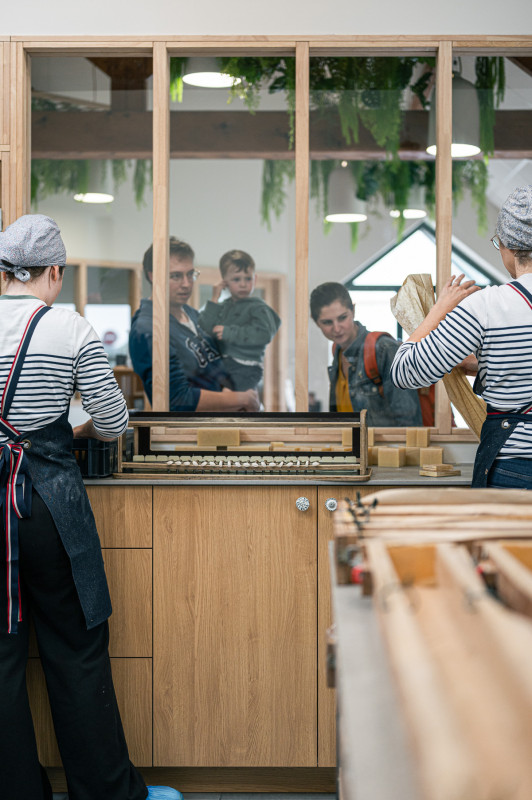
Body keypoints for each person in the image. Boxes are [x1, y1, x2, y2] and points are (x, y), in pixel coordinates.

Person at [0, 215, 180, 800]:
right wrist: (64, 427)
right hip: (50, 506)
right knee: (76, 648)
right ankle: (107, 793)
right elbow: (114, 423)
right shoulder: (69, 327)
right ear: (54, 271)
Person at [390, 185, 532, 489]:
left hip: (514, 468)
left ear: (507, 245)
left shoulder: (487, 306)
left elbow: (404, 371)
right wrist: (485, 365)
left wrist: (439, 308)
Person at [129, 237, 259, 412]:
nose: (186, 284)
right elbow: (176, 399)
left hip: (222, 427)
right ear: (153, 275)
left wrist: (233, 389)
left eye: (190, 274)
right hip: (187, 436)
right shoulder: (148, 328)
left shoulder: (192, 315)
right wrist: (241, 398)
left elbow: (221, 363)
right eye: (176, 276)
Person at [310, 281, 423, 426]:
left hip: (384, 448)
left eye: (342, 318)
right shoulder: (336, 353)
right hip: (352, 447)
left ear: (353, 311)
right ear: (316, 322)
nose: (337, 328)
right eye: (327, 322)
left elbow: (410, 424)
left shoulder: (384, 349)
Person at [198, 249, 281, 391]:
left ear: (254, 279)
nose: (243, 284)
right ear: (225, 282)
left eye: (248, 278)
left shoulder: (258, 307)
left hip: (246, 369)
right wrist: (214, 299)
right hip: (223, 366)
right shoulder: (222, 307)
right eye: (236, 279)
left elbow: (264, 334)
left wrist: (230, 333)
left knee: (230, 399)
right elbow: (204, 328)